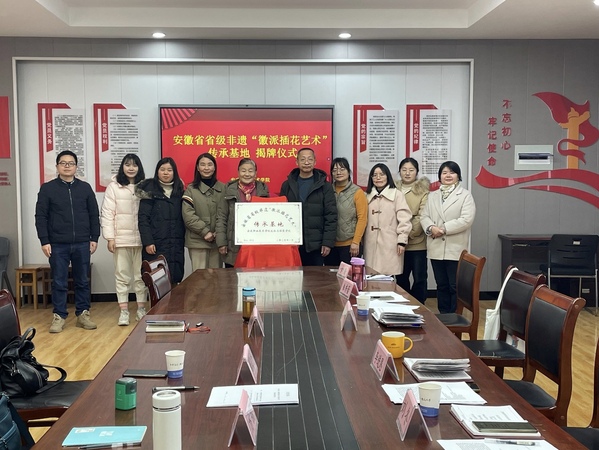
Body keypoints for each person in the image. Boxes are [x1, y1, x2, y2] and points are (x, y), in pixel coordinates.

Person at [35, 150, 100, 333]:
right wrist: (44, 240)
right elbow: (41, 216)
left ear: (76, 167)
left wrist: (94, 237)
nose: (67, 166)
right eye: (63, 163)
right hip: (57, 244)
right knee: (59, 281)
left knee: (82, 281)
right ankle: (59, 316)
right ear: (57, 166)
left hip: (82, 242)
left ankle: (83, 314)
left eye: (70, 163)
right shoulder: (48, 189)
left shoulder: (85, 188)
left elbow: (94, 214)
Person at [421, 161, 476, 314]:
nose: (448, 175)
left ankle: (455, 317)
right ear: (439, 176)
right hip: (436, 246)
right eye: (444, 173)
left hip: (455, 247)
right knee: (441, 285)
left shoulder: (465, 195)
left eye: (452, 172)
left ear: (458, 176)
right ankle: (444, 316)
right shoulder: (433, 196)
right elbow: (424, 216)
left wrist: (444, 229)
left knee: (454, 285)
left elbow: (466, 220)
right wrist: (431, 228)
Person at [101, 153, 147, 326]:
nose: (131, 168)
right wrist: (110, 237)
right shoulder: (113, 187)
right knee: (122, 276)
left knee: (140, 276)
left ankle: (141, 308)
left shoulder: (145, 186)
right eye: (127, 165)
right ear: (122, 167)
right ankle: (124, 311)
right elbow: (107, 213)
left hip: (141, 240)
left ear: (139, 167)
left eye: (134, 165)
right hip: (121, 240)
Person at [279, 148, 337, 266]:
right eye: (303, 159)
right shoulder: (287, 185)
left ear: (315, 162)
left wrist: (327, 242)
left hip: (316, 245)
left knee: (315, 277)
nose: (306, 162)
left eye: (310, 159)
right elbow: (281, 214)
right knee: (293, 276)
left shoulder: (325, 186)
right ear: (297, 162)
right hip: (293, 244)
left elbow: (331, 215)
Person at [137, 157, 186, 284]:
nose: (166, 173)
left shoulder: (179, 191)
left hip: (176, 243)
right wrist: (148, 242)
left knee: (175, 277)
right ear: (157, 171)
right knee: (157, 279)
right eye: (162, 169)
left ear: (174, 172)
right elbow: (143, 219)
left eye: (169, 170)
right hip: (156, 244)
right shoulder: (149, 191)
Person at [216, 158, 269, 267]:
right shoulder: (229, 190)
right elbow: (221, 217)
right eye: (243, 170)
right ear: (238, 172)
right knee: (232, 276)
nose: (247, 174)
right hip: (233, 245)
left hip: (256, 244)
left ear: (255, 173)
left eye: (250, 171)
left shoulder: (263, 190)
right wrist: (221, 242)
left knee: (255, 275)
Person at [363, 163, 412, 277]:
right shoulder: (366, 196)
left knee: (388, 277)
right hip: (370, 244)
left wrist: (402, 241)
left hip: (390, 243)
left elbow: (404, 220)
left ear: (388, 176)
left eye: (382, 174)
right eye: (375, 175)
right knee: (370, 277)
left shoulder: (397, 195)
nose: (378, 178)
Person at [394, 157, 430, 304]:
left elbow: (422, 216)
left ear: (417, 172)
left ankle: (420, 306)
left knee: (419, 277)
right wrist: (399, 236)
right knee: (400, 277)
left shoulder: (423, 191)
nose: (407, 173)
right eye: (404, 170)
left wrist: (406, 234)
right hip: (396, 242)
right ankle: (403, 306)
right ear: (399, 172)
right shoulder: (393, 189)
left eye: (411, 170)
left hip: (417, 242)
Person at [182, 153, 225, 271]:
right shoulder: (191, 190)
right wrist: (205, 232)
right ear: (197, 167)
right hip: (197, 242)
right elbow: (188, 215)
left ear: (214, 167)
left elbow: (227, 214)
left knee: (216, 277)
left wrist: (219, 233)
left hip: (217, 242)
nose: (206, 168)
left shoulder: (224, 189)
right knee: (199, 278)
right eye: (203, 164)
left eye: (210, 164)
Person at [323, 157, 367, 266]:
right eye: (335, 170)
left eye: (342, 169)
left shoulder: (357, 192)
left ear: (348, 171)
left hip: (350, 245)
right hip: (330, 245)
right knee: (330, 275)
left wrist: (356, 242)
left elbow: (362, 218)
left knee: (349, 275)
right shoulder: (328, 191)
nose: (338, 172)